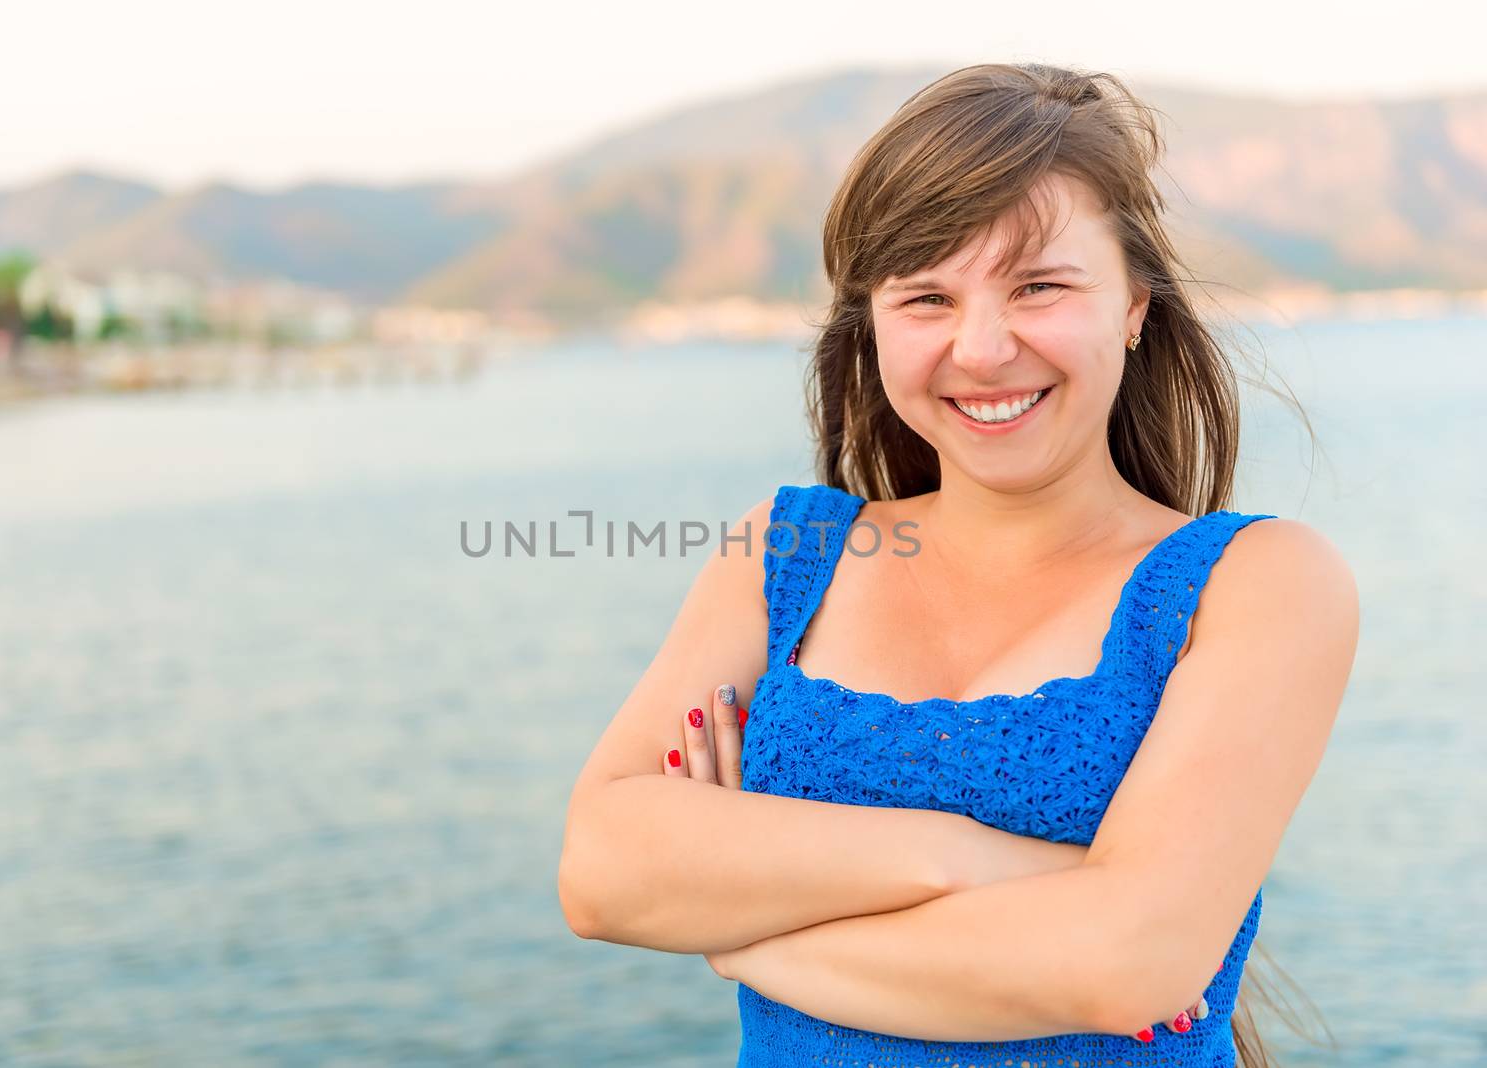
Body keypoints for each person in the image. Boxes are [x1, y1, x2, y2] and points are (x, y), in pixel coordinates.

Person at [558, 62, 1358, 1067]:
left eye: (1038, 286)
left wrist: (742, 933)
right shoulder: (787, 555)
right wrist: (964, 861)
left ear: (1133, 304)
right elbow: (601, 869)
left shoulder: (1254, 585)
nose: (980, 349)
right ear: (873, 323)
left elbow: (1125, 963)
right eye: (926, 297)